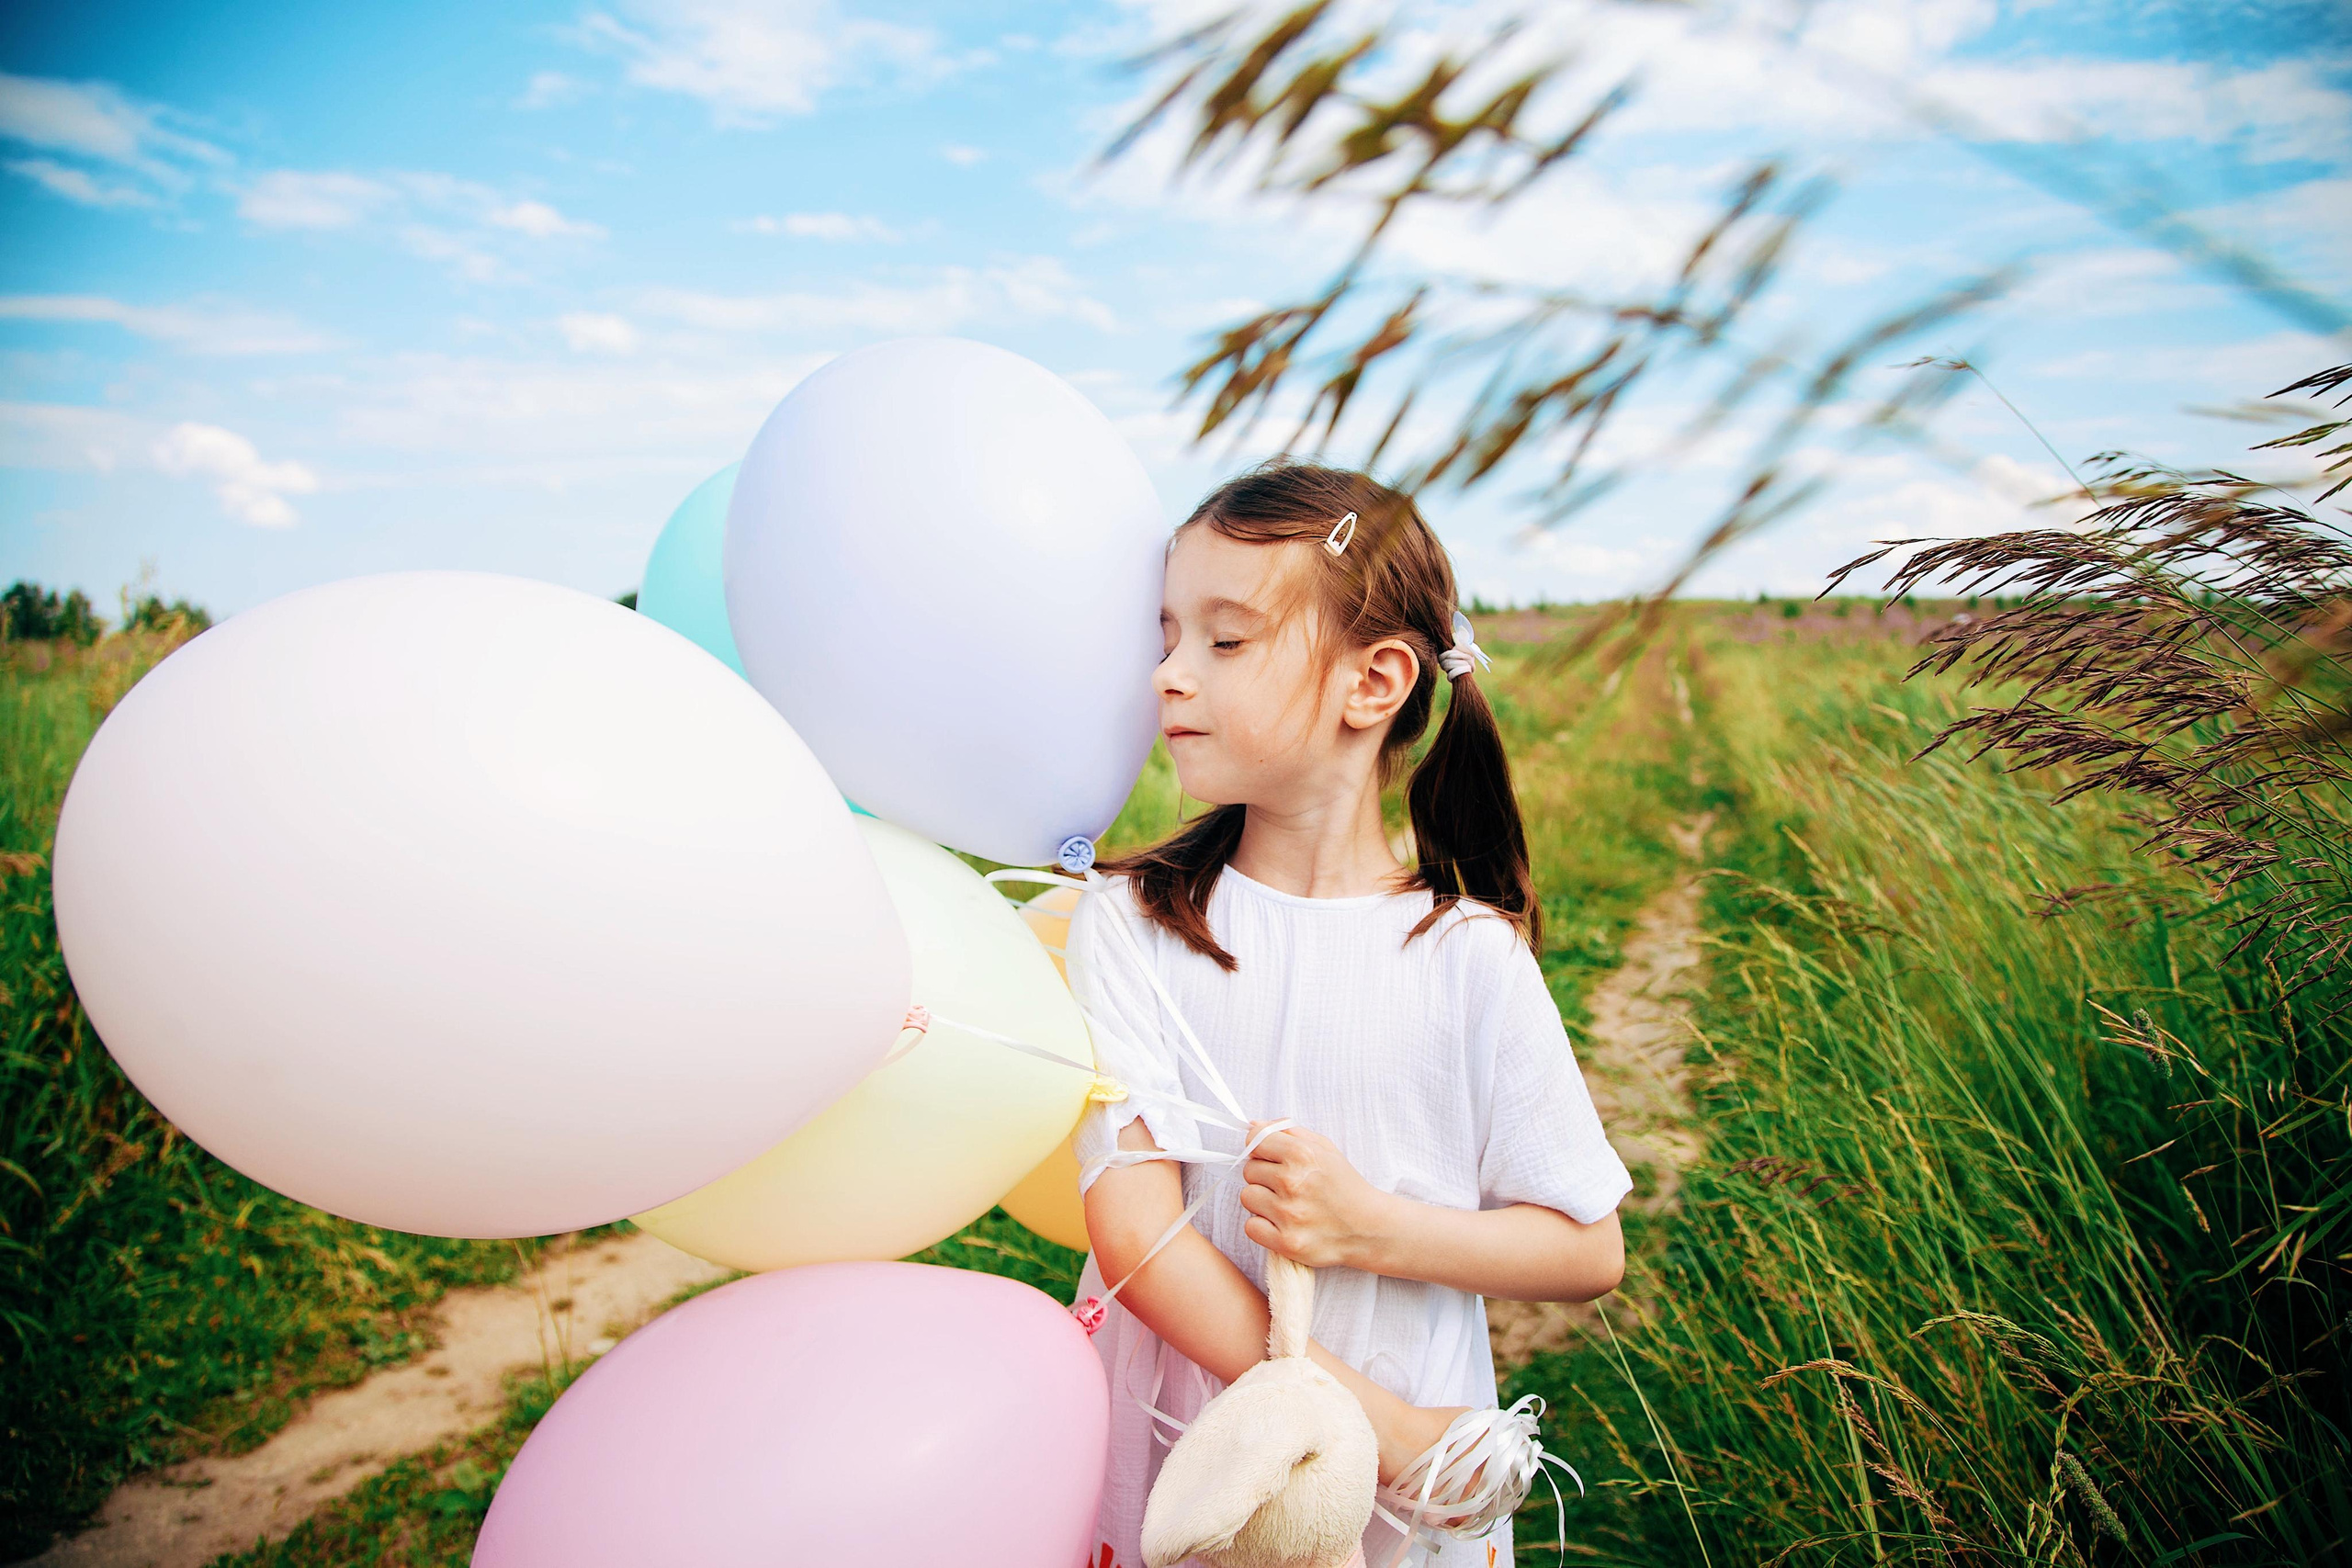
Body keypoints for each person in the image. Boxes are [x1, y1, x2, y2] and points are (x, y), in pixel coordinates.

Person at [1069, 459, 1633, 1568]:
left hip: (1395, 1502)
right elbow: (1135, 1227)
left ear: (1372, 683)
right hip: (1208, 1449)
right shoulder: (1130, 921)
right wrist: (1387, 1434)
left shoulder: (1468, 958)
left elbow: (1584, 1246)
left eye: (1224, 642)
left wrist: (1369, 1227)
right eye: (1165, 636)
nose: (1169, 676)